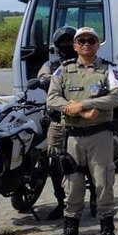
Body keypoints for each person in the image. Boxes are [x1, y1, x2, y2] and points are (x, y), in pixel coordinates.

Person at [46, 27, 118, 235]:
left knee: (103, 184)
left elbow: (116, 97)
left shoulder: (109, 69)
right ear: (75, 45)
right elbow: (52, 99)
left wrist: (86, 104)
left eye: (91, 40)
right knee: (72, 186)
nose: (87, 44)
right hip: (72, 136)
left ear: (98, 44)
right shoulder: (63, 70)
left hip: (100, 135)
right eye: (82, 40)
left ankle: (107, 233)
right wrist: (77, 111)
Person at [36, 25, 78, 220]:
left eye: (71, 41)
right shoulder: (51, 65)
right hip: (57, 121)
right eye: (63, 42)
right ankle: (61, 202)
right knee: (55, 163)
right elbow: (42, 78)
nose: (67, 45)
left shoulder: (85, 62)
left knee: (85, 162)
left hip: (81, 121)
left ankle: (94, 199)